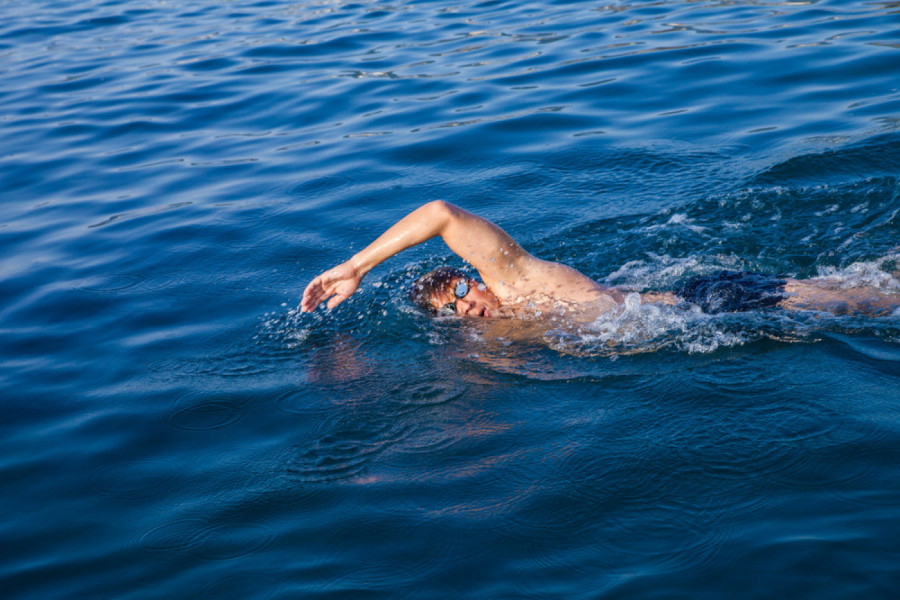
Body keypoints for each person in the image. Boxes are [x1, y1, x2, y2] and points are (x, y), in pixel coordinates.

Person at [301, 200, 900, 319]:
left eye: (460, 294)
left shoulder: (511, 279)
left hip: (711, 304)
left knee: (867, 302)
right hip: (706, 319)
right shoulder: (499, 336)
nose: (469, 308)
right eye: (452, 313)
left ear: (468, 277)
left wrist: (357, 266)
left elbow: (440, 215)